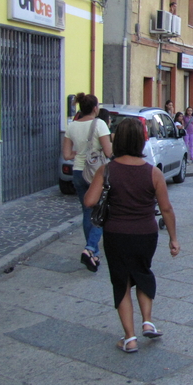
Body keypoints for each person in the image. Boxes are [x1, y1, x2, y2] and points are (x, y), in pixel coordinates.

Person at [83, 118, 179, 353]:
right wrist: (173, 239)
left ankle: (130, 338)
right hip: (146, 233)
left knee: (121, 282)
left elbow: (89, 201)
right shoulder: (153, 173)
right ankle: (147, 320)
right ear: (140, 141)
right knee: (143, 273)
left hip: (116, 233)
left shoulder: (107, 170)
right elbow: (166, 209)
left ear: (118, 140)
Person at [62, 93, 113, 272]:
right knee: (101, 211)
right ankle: (90, 248)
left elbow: (67, 154)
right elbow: (108, 152)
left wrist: (81, 154)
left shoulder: (72, 126)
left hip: (77, 171)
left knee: (86, 211)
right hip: (95, 173)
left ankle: (93, 252)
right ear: (94, 108)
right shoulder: (99, 124)